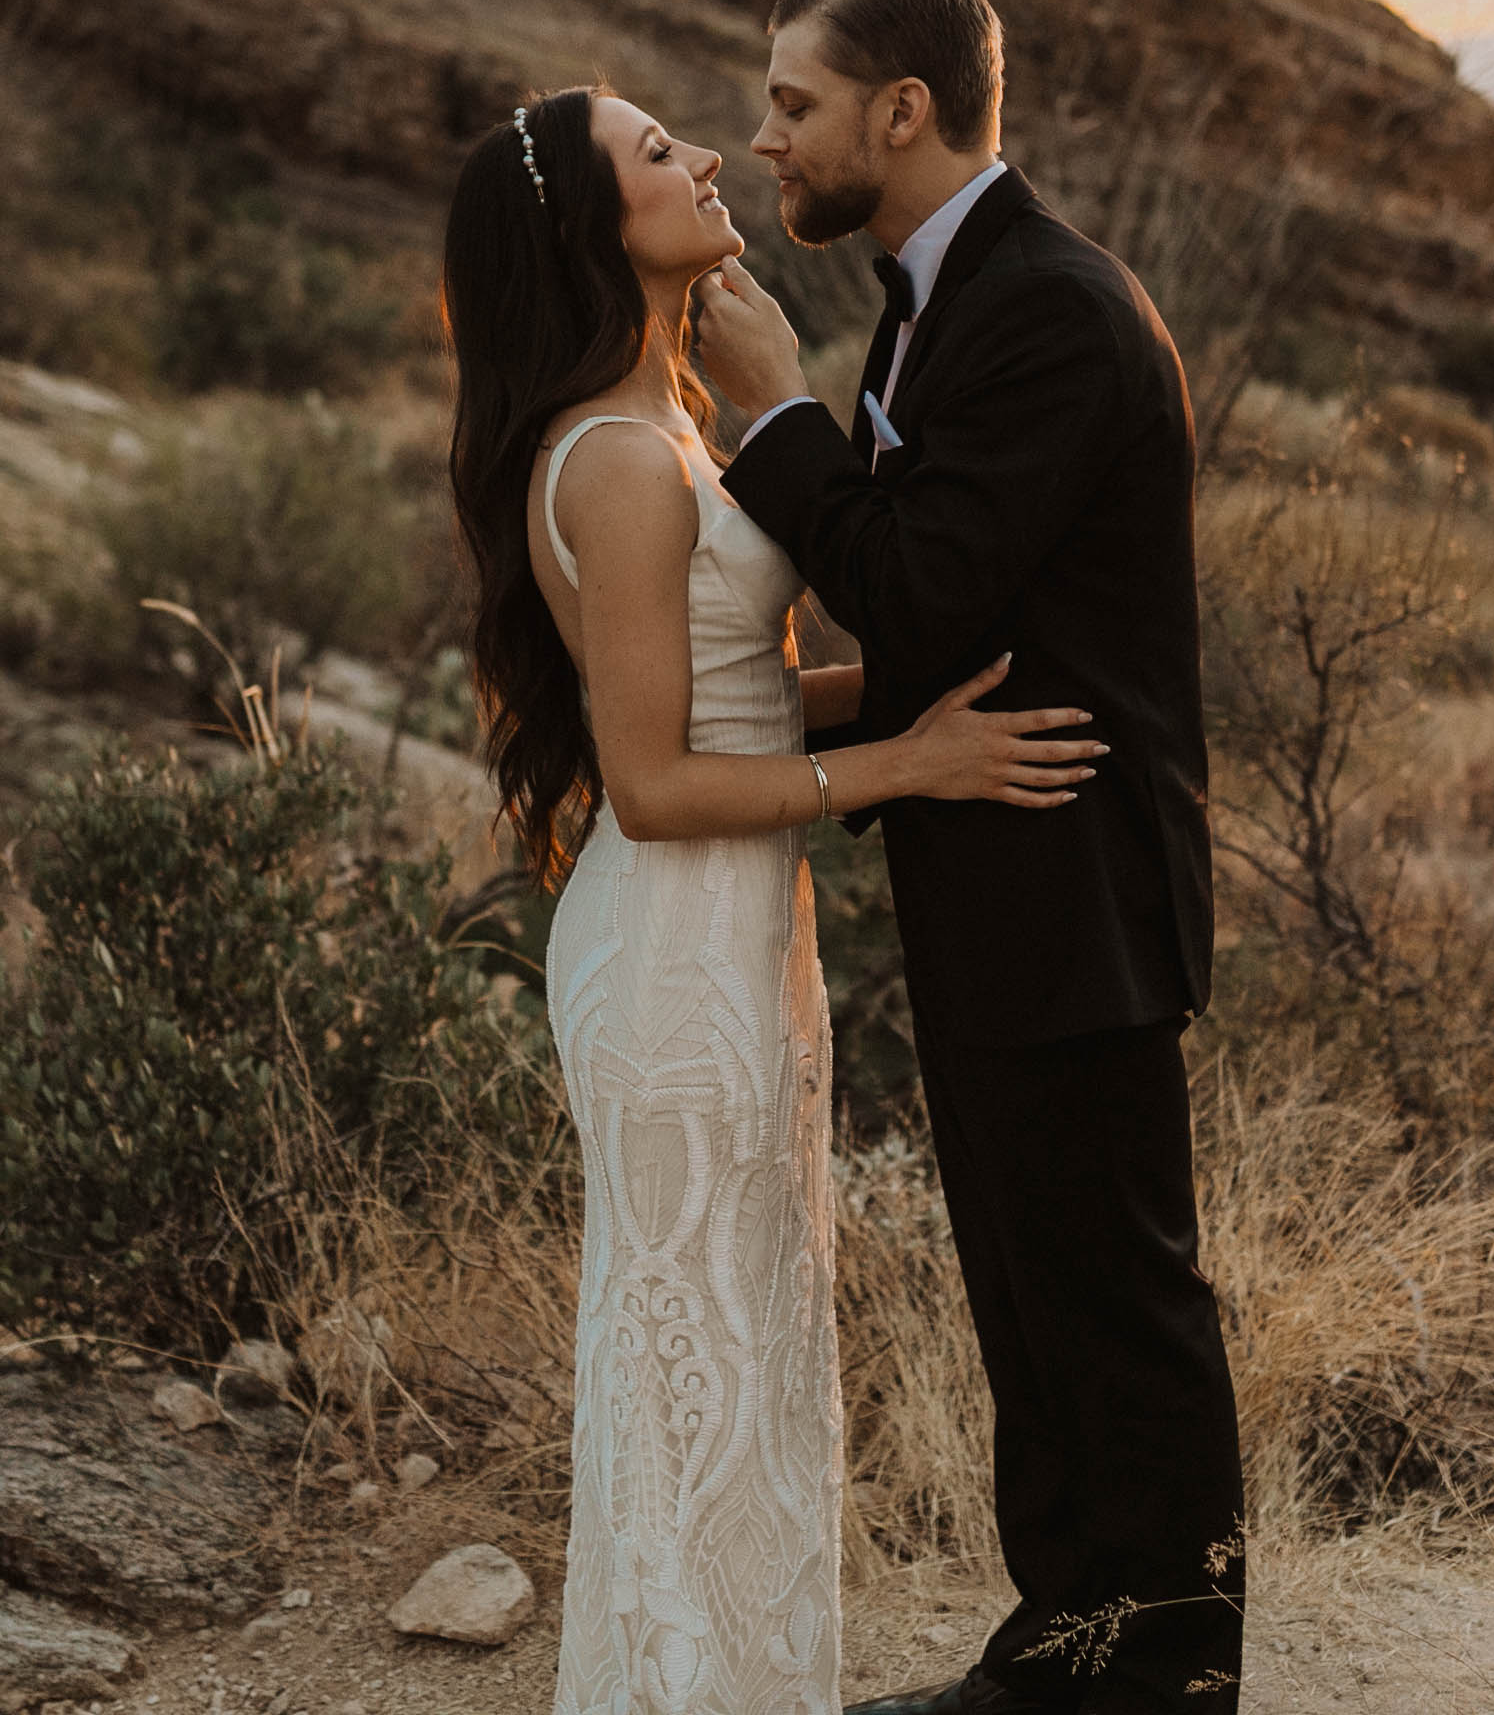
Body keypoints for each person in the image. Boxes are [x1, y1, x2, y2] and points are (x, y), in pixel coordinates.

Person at [443, 83, 1102, 1715]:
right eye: (658, 154)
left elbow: (730, 706)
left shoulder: (667, 427)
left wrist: (932, 683)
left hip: (742, 939)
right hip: (675, 955)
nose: (708, 158)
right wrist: (914, 765)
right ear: (592, 231)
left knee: (744, 1353)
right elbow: (655, 788)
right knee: (692, 1369)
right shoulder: (616, 461)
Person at [693, 0, 1246, 1715]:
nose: (764, 138)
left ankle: (1168, 1671)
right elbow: (939, 615)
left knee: (1113, 1296)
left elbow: (916, 580)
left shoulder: (1049, 311)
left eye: (793, 103)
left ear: (901, 110)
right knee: (1033, 1290)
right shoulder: (942, 298)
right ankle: (1063, 1645)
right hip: (998, 875)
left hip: (1072, 880)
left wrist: (773, 410)